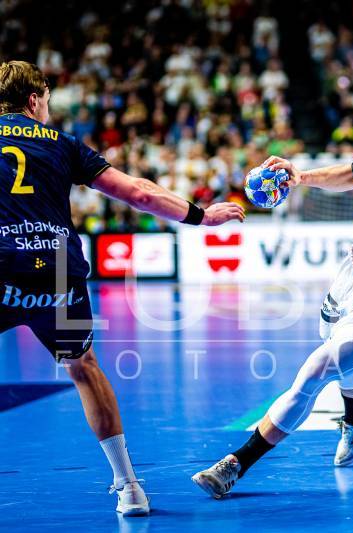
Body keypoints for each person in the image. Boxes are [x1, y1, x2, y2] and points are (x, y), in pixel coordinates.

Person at [0, 61, 245, 516]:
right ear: (33, 100)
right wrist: (202, 216)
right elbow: (139, 193)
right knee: (84, 367)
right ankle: (129, 486)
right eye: (47, 100)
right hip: (57, 272)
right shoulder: (62, 143)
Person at [191, 84, 353, 498]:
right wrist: (301, 177)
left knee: (318, 368)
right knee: (336, 347)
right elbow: (351, 174)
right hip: (352, 275)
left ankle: (236, 463)